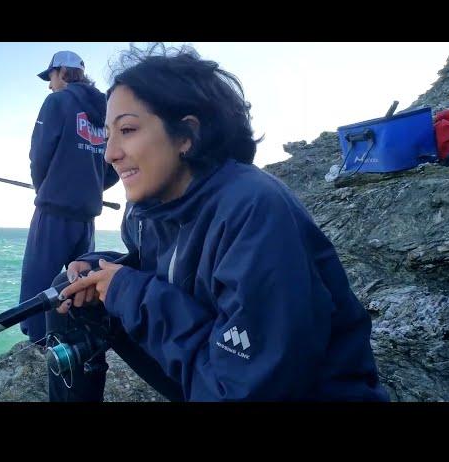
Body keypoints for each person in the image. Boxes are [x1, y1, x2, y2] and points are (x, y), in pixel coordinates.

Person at [46, 44, 389, 402]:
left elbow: (248, 388)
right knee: (70, 292)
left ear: (186, 135)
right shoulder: (147, 209)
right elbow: (169, 269)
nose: (110, 153)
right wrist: (107, 271)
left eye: (128, 130)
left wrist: (129, 290)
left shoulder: (253, 208)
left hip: (276, 391)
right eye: (108, 134)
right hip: (215, 369)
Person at [19, 50, 119, 345]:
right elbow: (113, 164)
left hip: (54, 212)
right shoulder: (106, 109)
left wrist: (46, 190)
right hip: (87, 215)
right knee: (80, 282)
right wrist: (91, 188)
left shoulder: (57, 101)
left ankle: (37, 341)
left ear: (62, 72)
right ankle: (73, 337)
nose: (49, 85)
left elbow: (39, 156)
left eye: (50, 77)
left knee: (38, 283)